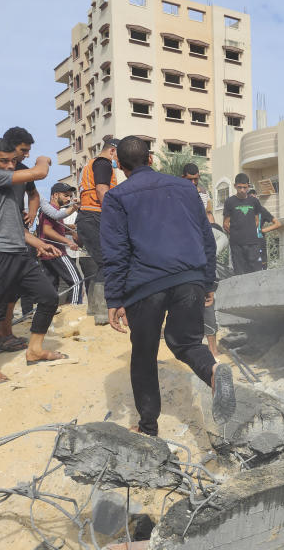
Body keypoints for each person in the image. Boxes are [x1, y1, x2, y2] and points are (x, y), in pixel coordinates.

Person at [100, 137, 235, 435]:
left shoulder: (116, 196)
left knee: (144, 354)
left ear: (119, 167)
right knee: (186, 343)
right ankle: (213, 371)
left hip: (144, 287)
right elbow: (206, 238)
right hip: (190, 279)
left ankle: (148, 427)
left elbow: (116, 252)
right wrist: (208, 281)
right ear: (150, 159)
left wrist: (114, 298)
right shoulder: (187, 188)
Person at [0, 138, 66, 384]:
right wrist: (43, 159)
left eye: (13, 161)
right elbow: (40, 171)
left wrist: (40, 244)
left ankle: (35, 349)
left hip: (20, 255)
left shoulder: (11, 192)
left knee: (48, 297)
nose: (8, 166)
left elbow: (18, 228)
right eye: (4, 161)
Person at [0, 127, 43, 350]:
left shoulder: (24, 171)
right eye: (23, 150)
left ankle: (6, 333)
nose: (27, 155)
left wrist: (32, 212)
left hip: (20, 236)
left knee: (12, 289)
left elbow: (34, 194)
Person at [75, 137, 120, 325]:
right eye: (119, 155)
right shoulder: (103, 164)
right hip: (94, 217)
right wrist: (115, 217)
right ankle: (102, 312)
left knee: (100, 264)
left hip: (87, 218)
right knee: (108, 263)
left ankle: (94, 308)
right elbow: (102, 191)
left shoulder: (91, 164)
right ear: (112, 151)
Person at [182, 163, 222, 357]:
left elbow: (208, 216)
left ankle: (213, 350)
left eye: (195, 179)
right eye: (189, 179)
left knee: (207, 303)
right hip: (182, 255)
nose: (193, 182)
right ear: (182, 178)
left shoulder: (202, 194)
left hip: (200, 253)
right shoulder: (176, 196)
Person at [36, 183, 83, 306]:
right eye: (66, 195)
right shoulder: (51, 210)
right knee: (77, 281)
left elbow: (54, 228)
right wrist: (68, 241)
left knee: (51, 287)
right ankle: (74, 310)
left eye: (70, 196)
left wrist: (69, 228)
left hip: (47, 255)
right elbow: (47, 230)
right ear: (55, 195)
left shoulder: (54, 210)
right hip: (57, 253)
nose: (69, 199)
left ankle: (48, 313)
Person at [223, 174, 280, 275]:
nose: (242, 190)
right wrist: (236, 234)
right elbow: (226, 224)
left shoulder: (254, 201)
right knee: (240, 274)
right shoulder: (229, 202)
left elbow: (257, 220)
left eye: (244, 187)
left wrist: (251, 231)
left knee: (256, 273)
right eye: (239, 187)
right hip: (237, 245)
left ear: (248, 186)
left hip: (253, 244)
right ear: (235, 186)